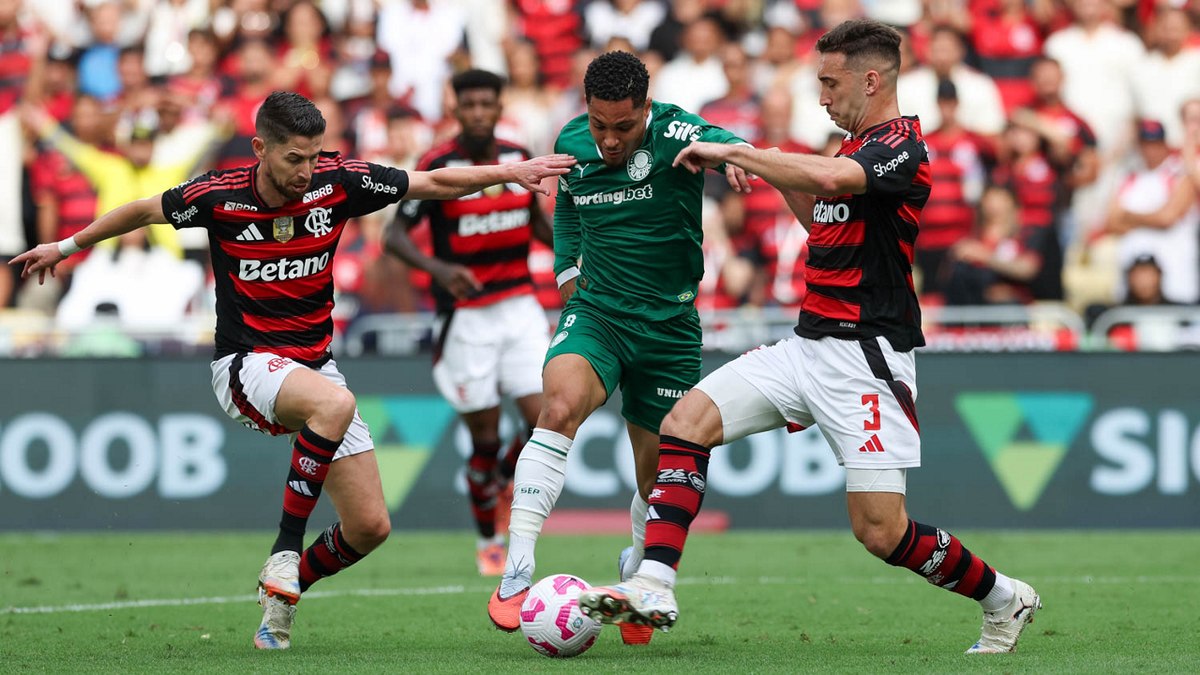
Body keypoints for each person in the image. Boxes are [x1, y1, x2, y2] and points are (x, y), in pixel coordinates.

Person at [10, 91, 574, 651]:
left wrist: (512, 170)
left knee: (370, 527)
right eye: (293, 159)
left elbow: (428, 183)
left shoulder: (339, 181)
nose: (306, 171)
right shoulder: (218, 195)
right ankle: (284, 546)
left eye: (313, 156)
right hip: (245, 363)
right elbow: (141, 209)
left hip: (315, 365)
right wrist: (66, 245)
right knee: (335, 404)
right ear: (260, 147)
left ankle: (283, 591)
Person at [579, 19, 1042, 655]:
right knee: (684, 422)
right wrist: (770, 174)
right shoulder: (847, 152)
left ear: (871, 79)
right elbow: (822, 214)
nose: (821, 95)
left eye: (830, 81)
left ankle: (1003, 597)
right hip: (805, 346)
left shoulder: (903, 147)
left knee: (882, 533)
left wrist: (739, 152)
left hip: (867, 360)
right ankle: (654, 582)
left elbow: (828, 184)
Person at [485, 50, 750, 646]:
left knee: (658, 473)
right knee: (556, 408)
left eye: (623, 127)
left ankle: (635, 573)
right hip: (598, 313)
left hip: (669, 326)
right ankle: (518, 565)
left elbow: (725, 139)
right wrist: (564, 276)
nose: (608, 139)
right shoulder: (572, 141)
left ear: (646, 110)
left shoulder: (677, 130)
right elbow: (567, 211)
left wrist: (733, 157)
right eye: (600, 124)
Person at [385, 69, 552, 577]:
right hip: (466, 319)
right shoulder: (437, 165)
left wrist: (575, 255)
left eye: (488, 103)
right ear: (456, 109)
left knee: (546, 418)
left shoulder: (516, 157)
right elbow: (395, 236)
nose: (479, 112)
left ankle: (501, 480)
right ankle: (487, 540)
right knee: (483, 438)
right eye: (470, 104)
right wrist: (439, 270)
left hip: (519, 305)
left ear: (500, 107)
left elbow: (538, 224)